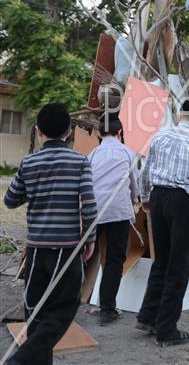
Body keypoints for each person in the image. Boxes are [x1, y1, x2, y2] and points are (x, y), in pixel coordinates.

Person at [4, 103, 97, 365]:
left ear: (39, 131)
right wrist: (89, 239)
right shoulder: (80, 162)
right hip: (66, 249)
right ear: (69, 132)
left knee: (35, 310)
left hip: (36, 248)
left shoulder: (29, 162)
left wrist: (32, 185)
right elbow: (89, 205)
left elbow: (11, 200)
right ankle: (20, 360)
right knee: (64, 307)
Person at [136, 97, 189, 347]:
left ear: (180, 113)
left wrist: (146, 198)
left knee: (161, 261)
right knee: (178, 267)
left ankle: (147, 317)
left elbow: (145, 171)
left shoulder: (160, 137)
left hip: (158, 197)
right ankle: (167, 329)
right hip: (181, 203)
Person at [88, 112, 139, 325]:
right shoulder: (128, 153)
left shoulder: (92, 154)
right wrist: (135, 200)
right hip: (118, 210)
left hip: (95, 210)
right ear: (120, 133)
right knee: (115, 259)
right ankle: (108, 309)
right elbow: (135, 185)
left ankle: (68, 304)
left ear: (100, 134)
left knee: (86, 256)